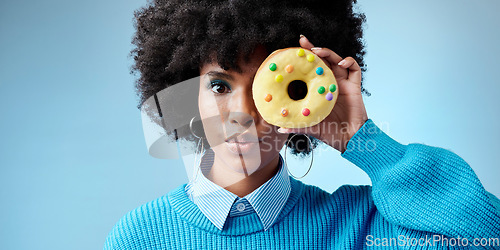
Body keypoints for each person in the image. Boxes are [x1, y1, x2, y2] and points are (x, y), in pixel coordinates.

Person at [104, 0, 500, 249]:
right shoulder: (141, 236)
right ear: (191, 94)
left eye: (267, 87)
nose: (243, 112)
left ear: (300, 101)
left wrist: (360, 137)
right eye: (220, 85)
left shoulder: (359, 226)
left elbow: (485, 237)